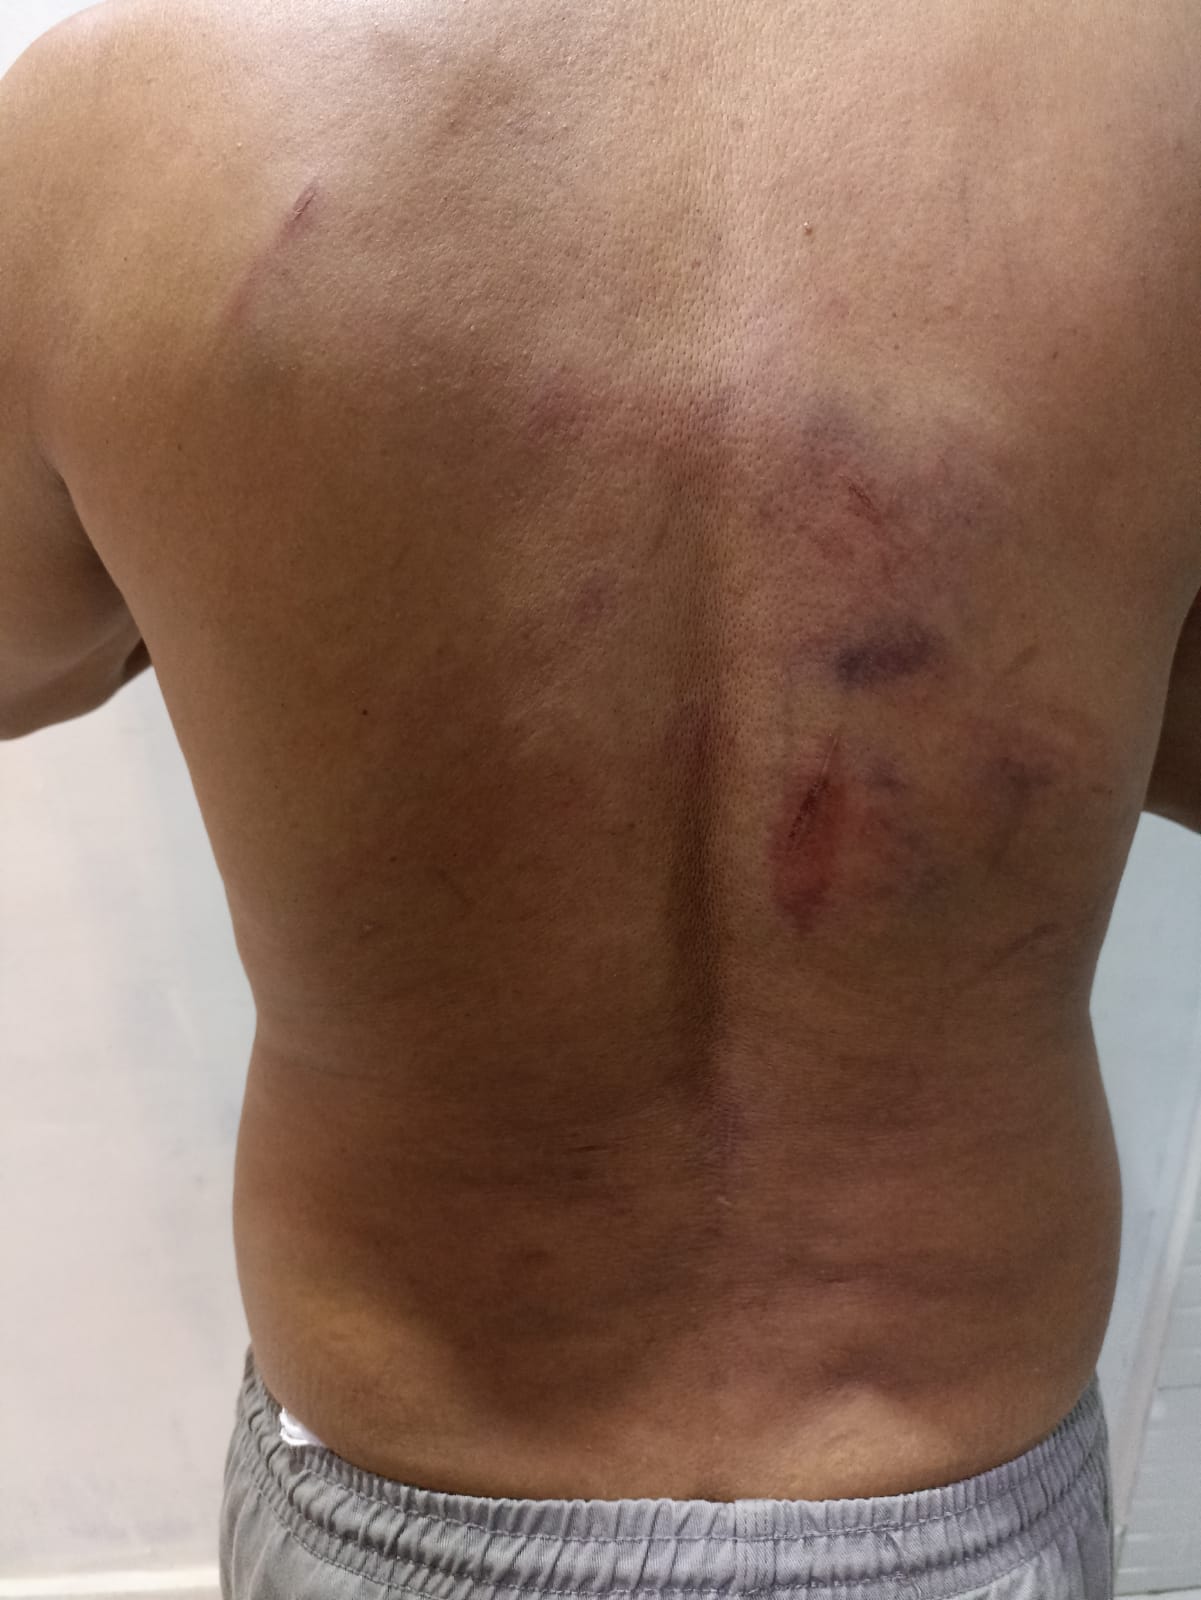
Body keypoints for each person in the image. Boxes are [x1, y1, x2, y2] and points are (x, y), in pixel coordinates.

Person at [4, 0, 1198, 1594]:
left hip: (398, 1497)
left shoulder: (118, 128)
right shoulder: (1162, 107)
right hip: (958, 1500)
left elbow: (23, 658)